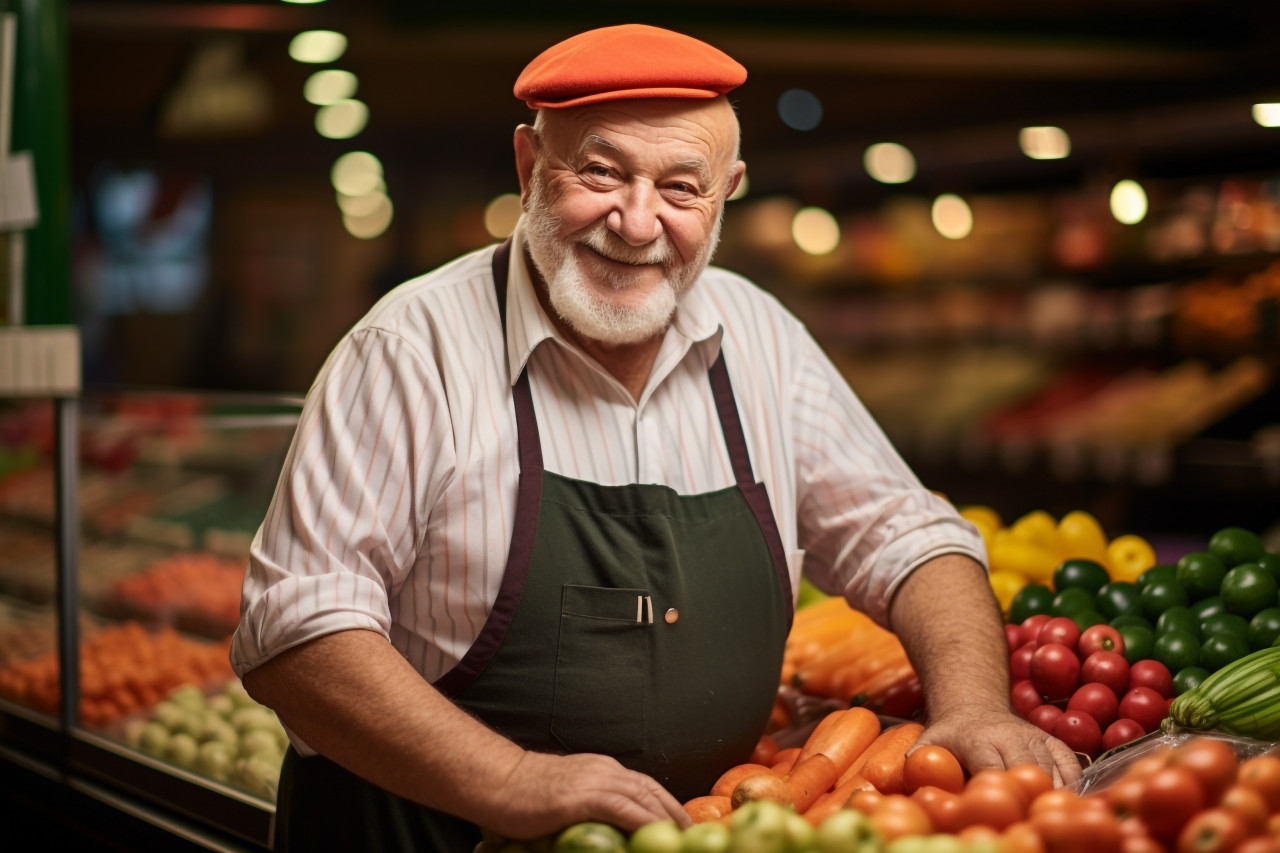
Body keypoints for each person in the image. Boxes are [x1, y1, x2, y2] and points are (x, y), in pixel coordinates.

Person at [232, 22, 1082, 852]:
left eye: (681, 187)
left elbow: (908, 536)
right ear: (530, 167)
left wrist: (972, 704)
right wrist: (514, 778)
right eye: (600, 173)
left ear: (726, 191)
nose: (637, 223)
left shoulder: (759, 337)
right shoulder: (411, 351)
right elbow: (297, 632)